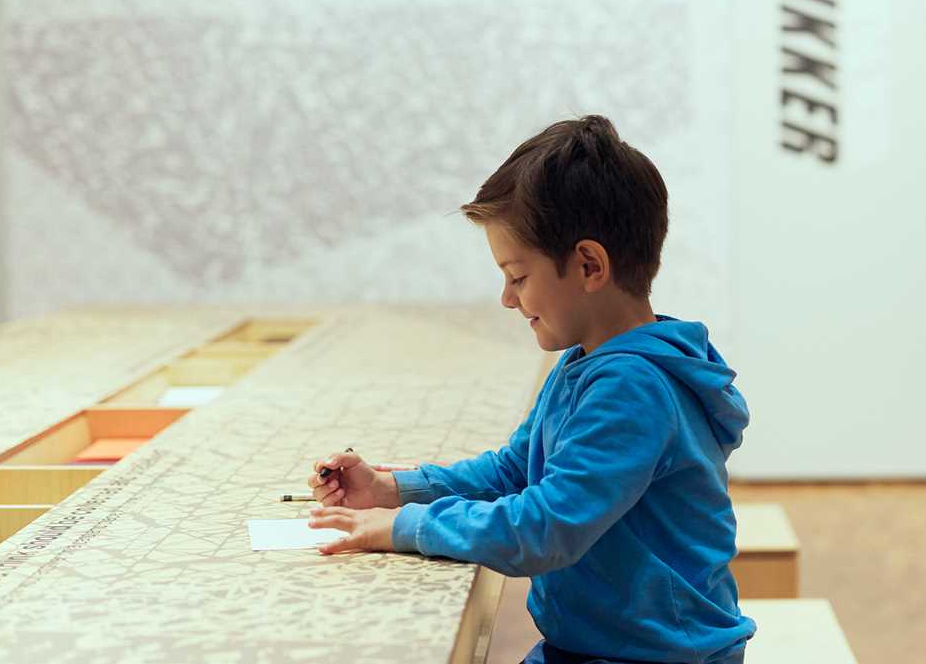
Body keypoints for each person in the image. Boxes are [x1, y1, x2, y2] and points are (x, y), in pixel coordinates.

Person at [307, 114, 755, 664]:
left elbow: (545, 528)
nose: (507, 298)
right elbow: (516, 471)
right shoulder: (587, 364)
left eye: (518, 277)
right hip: (594, 647)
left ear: (590, 265)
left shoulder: (633, 387)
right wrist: (394, 490)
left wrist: (403, 528)